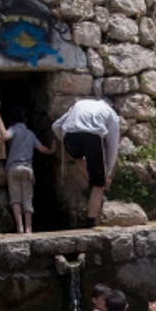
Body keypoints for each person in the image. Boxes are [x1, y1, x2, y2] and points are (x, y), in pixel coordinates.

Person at [51, 97, 121, 228]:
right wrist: (108, 173)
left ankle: (93, 184)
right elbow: (112, 146)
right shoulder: (111, 113)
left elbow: (55, 126)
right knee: (99, 184)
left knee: (79, 160)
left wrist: (65, 139)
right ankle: (91, 221)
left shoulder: (80, 103)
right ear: (111, 105)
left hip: (69, 136)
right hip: (91, 137)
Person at [0, 107, 54, 234]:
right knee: (27, 198)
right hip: (28, 169)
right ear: (25, 120)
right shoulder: (30, 133)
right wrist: (53, 148)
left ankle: (19, 227)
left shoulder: (14, 130)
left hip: (14, 168)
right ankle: (29, 228)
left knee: (16, 199)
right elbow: (43, 149)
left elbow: (4, 136)